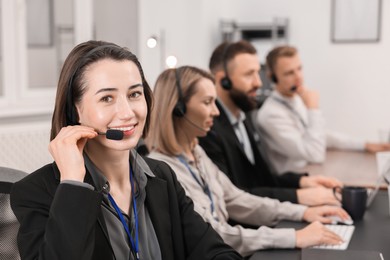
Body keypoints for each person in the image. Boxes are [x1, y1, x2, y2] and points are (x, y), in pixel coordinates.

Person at [10, 41, 242, 260]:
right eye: (107, 98)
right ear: (76, 110)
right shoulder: (36, 192)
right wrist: (72, 183)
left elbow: (217, 252)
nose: (128, 112)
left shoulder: (161, 176)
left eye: (134, 94)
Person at [146, 66, 350, 257]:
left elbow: (237, 200)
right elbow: (214, 234)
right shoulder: (163, 169)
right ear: (178, 109)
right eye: (207, 102)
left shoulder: (196, 152)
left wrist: (302, 212)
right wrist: (293, 237)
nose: (216, 112)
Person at [198, 40, 342, 206]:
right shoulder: (208, 130)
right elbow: (233, 196)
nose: (258, 83)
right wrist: (297, 196)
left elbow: (260, 179)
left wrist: (302, 182)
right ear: (223, 80)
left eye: (258, 72)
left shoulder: (243, 117)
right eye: (248, 74)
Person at [255, 45, 390, 174]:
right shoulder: (270, 114)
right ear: (273, 77)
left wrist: (364, 145)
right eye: (289, 73)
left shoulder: (294, 99)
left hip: (312, 171)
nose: (298, 77)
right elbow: (315, 154)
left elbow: (320, 136)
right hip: (294, 183)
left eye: (299, 68)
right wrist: (313, 108)